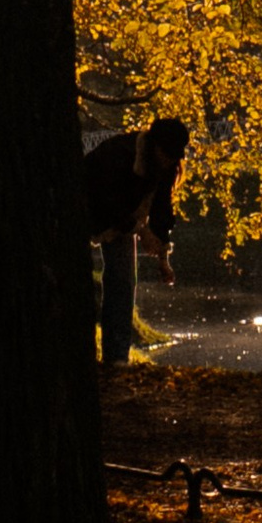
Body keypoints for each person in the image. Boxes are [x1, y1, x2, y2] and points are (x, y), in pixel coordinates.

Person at [84, 115, 188, 372]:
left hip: (124, 220)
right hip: (88, 206)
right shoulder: (119, 155)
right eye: (168, 153)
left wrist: (163, 256)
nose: (172, 160)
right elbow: (106, 202)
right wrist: (140, 231)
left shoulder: (165, 165)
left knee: (123, 281)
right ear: (155, 146)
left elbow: (162, 209)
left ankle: (116, 358)